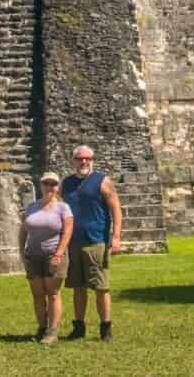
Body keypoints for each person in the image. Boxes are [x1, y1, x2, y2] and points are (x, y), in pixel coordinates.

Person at [61, 144, 122, 343]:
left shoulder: (102, 181)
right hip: (73, 243)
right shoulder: (66, 183)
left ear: (93, 160)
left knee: (101, 288)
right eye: (80, 159)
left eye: (88, 158)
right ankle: (79, 327)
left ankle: (106, 328)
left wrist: (116, 237)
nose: (84, 162)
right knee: (78, 287)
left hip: (96, 241)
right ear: (73, 161)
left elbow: (116, 209)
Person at [19, 171, 73, 345]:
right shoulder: (32, 207)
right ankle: (41, 328)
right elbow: (23, 230)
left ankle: (52, 331)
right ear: (40, 185)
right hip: (33, 255)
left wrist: (59, 253)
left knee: (53, 294)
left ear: (57, 187)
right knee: (37, 294)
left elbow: (67, 232)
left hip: (53, 254)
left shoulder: (63, 208)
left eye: (53, 184)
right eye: (46, 183)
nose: (49, 187)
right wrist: (22, 252)